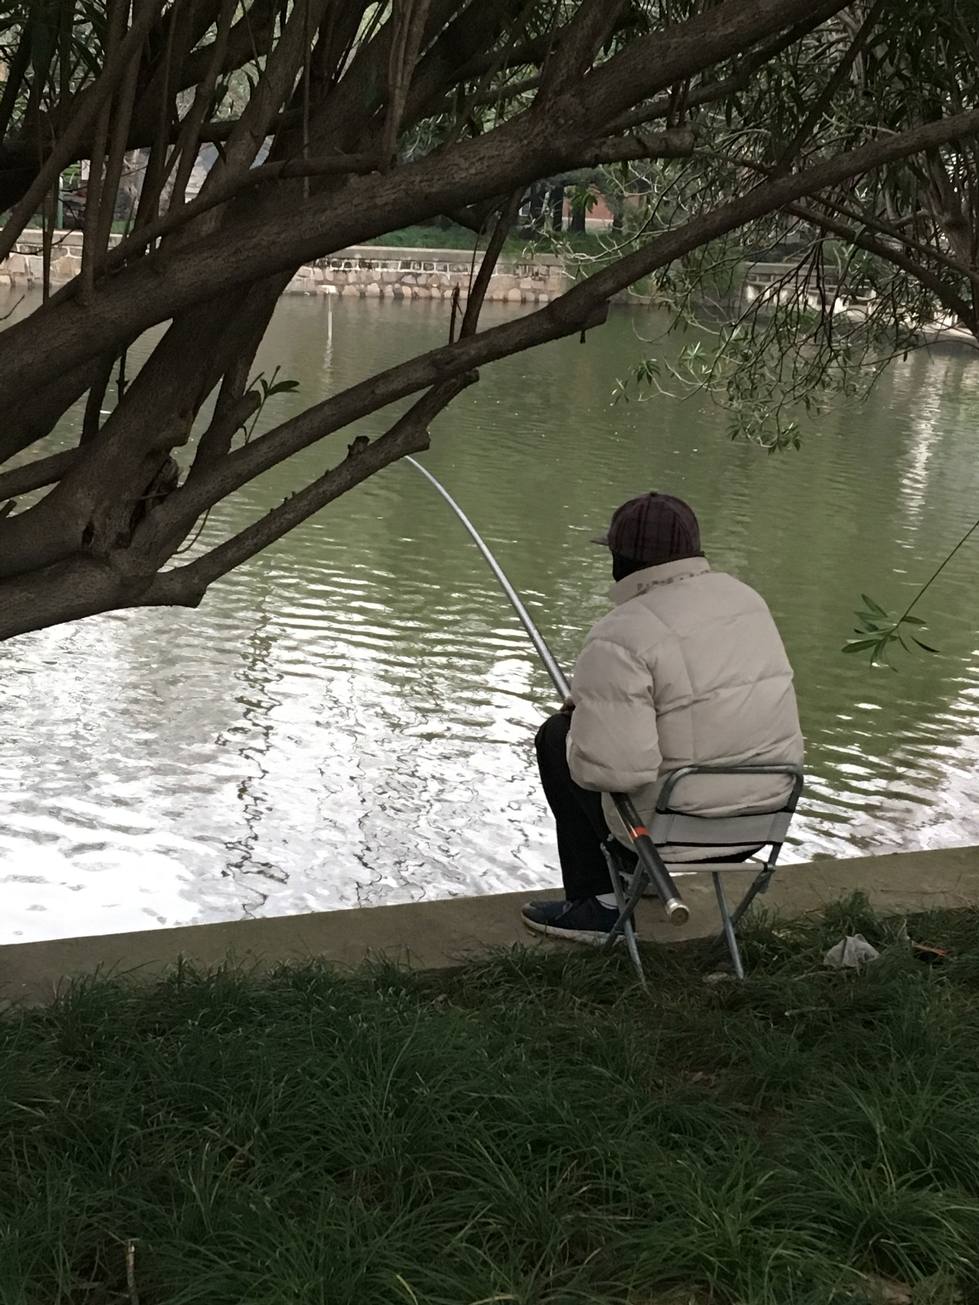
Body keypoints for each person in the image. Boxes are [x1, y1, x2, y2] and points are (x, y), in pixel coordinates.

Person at [522, 491, 803, 944]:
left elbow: (613, 770)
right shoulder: (747, 600)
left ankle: (600, 905)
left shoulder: (619, 635)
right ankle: (640, 880)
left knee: (558, 738)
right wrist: (602, 709)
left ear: (621, 560)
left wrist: (587, 724)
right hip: (765, 822)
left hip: (676, 833)